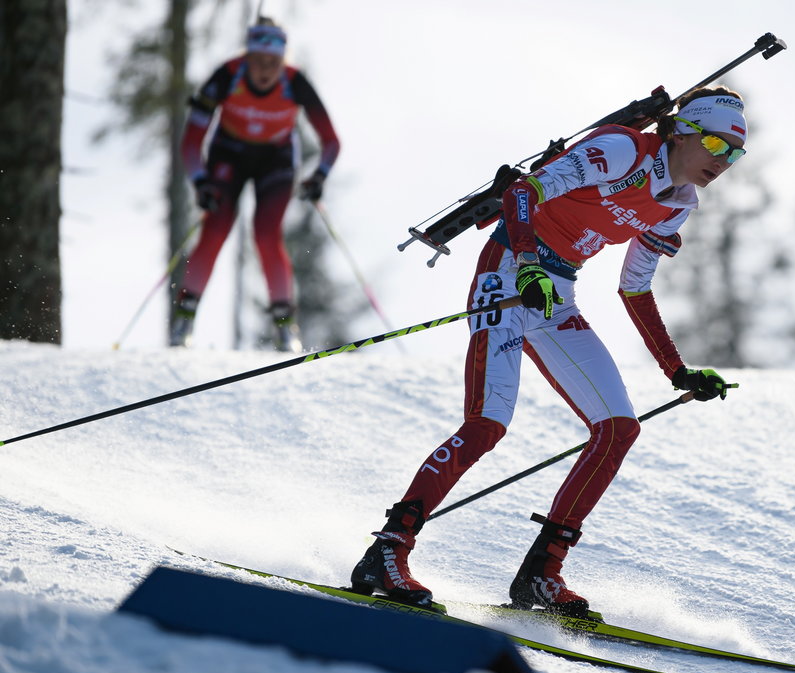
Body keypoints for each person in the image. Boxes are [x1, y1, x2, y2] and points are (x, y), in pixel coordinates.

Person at [349, 86, 746, 617]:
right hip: (511, 271)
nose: (724, 162)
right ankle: (386, 553)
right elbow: (521, 194)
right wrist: (532, 263)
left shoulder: (678, 205)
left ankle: (541, 573)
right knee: (487, 422)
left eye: (736, 154)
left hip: (556, 293)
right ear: (682, 131)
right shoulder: (625, 150)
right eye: (719, 146)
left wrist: (677, 370)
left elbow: (634, 289)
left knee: (618, 428)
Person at [170, 17, 340, 352]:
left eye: (273, 63)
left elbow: (332, 142)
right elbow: (191, 141)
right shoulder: (227, 76)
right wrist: (200, 182)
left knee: (266, 234)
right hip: (228, 155)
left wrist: (319, 176)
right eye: (258, 62)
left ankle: (284, 326)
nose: (265, 70)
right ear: (246, 57)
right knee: (215, 228)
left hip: (275, 161)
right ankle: (183, 321)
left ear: (283, 61)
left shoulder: (295, 83)